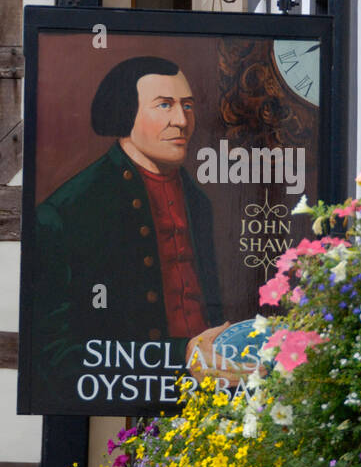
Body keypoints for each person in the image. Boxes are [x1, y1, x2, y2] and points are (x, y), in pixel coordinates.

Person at [29, 56, 228, 409]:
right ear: (125, 112)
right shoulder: (67, 211)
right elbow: (54, 356)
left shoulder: (198, 202)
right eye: (164, 105)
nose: (181, 121)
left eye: (187, 106)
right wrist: (179, 357)